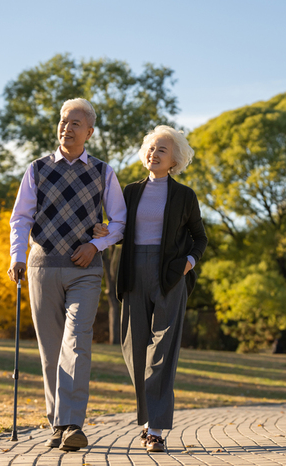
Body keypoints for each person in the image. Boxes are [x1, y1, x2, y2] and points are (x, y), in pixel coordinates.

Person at [7, 98, 126, 452]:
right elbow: (21, 218)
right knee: (50, 350)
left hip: (84, 271)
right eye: (63, 121)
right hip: (42, 266)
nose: (66, 127)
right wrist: (17, 255)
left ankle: (73, 423)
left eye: (75, 123)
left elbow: (119, 222)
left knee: (77, 343)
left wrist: (96, 245)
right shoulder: (37, 169)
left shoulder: (103, 172)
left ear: (89, 131)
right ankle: (56, 423)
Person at [95, 125, 207, 452]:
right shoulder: (129, 191)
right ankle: (147, 417)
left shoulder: (185, 195)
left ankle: (155, 429)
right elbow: (118, 227)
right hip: (132, 272)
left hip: (170, 275)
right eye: (151, 148)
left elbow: (200, 237)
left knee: (162, 352)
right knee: (134, 349)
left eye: (162, 150)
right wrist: (105, 231)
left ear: (175, 160)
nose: (154, 154)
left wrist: (189, 261)